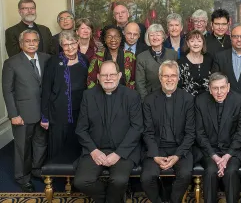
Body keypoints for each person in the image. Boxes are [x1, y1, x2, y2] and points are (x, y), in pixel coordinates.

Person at [74, 60, 143, 203]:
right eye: (104, 75)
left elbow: (137, 128)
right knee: (81, 181)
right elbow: (81, 129)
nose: (108, 78)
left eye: (112, 74)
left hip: (123, 150)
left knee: (118, 181)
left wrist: (118, 154)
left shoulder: (132, 96)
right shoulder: (88, 96)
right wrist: (93, 150)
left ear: (119, 76)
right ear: (98, 77)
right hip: (95, 149)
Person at [2, 29, 50, 191]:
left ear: (38, 42)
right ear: (22, 44)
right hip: (22, 114)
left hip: (42, 113)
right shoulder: (11, 63)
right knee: (22, 147)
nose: (31, 43)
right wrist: (13, 114)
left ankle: (37, 169)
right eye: (27, 41)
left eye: (34, 40)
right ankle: (23, 178)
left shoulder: (46, 58)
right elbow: (7, 91)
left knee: (40, 144)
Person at [141, 60, 195, 203]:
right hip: (156, 148)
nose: (169, 79)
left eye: (173, 76)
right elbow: (147, 131)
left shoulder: (188, 100)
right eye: (166, 76)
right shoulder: (149, 100)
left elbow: (190, 133)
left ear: (178, 78)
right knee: (147, 177)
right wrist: (154, 155)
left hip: (180, 148)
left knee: (185, 174)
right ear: (160, 78)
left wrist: (177, 155)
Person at [195, 72, 241, 203]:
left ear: (228, 87)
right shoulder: (200, 101)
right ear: (209, 88)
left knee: (231, 172)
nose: (219, 92)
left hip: (232, 151)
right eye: (215, 88)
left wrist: (228, 155)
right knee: (211, 171)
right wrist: (214, 156)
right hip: (209, 151)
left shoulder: (239, 100)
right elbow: (199, 133)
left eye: (222, 87)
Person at [41, 30, 89, 160]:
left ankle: (76, 175)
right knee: (59, 145)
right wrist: (44, 116)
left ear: (78, 42)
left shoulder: (84, 59)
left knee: (77, 142)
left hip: (80, 110)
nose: (70, 47)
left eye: (72, 43)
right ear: (61, 45)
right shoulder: (53, 62)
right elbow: (46, 89)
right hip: (59, 112)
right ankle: (58, 175)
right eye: (66, 44)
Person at [136, 24, 178, 100]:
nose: (155, 38)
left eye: (158, 35)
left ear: (163, 37)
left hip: (171, 96)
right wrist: (145, 101)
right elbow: (140, 84)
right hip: (150, 98)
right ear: (148, 38)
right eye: (151, 35)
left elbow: (177, 78)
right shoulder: (141, 57)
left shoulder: (173, 54)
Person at [178, 30, 213, 96]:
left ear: (203, 43)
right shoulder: (180, 62)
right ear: (188, 44)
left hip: (207, 101)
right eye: (192, 41)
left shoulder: (209, 59)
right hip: (188, 102)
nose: (196, 44)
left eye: (199, 41)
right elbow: (179, 87)